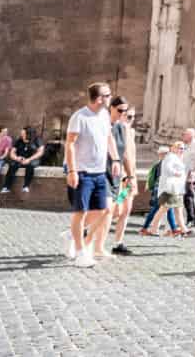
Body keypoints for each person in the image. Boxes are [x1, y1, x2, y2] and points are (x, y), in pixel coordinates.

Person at [62, 82, 115, 267]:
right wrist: (72, 170)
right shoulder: (79, 117)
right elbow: (69, 144)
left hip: (99, 172)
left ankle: (72, 233)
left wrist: (115, 160)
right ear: (99, 98)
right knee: (80, 212)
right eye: (108, 95)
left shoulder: (105, 115)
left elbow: (108, 137)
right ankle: (80, 253)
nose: (110, 98)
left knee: (103, 210)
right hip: (83, 172)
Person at [106, 96, 138, 256]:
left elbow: (130, 156)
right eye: (127, 115)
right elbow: (123, 154)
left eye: (132, 116)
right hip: (122, 177)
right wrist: (127, 175)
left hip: (129, 176)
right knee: (116, 210)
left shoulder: (131, 131)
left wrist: (132, 176)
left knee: (126, 209)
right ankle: (90, 230)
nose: (130, 119)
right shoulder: (119, 129)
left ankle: (118, 242)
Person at [6, 127, 43, 194]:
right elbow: (12, 152)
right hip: (21, 159)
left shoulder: (37, 140)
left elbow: (40, 152)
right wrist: (16, 158)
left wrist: (29, 159)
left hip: (33, 159)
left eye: (23, 133)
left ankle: (26, 186)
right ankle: (6, 187)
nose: (21, 135)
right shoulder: (19, 140)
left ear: (29, 134)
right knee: (12, 164)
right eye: (21, 133)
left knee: (30, 165)